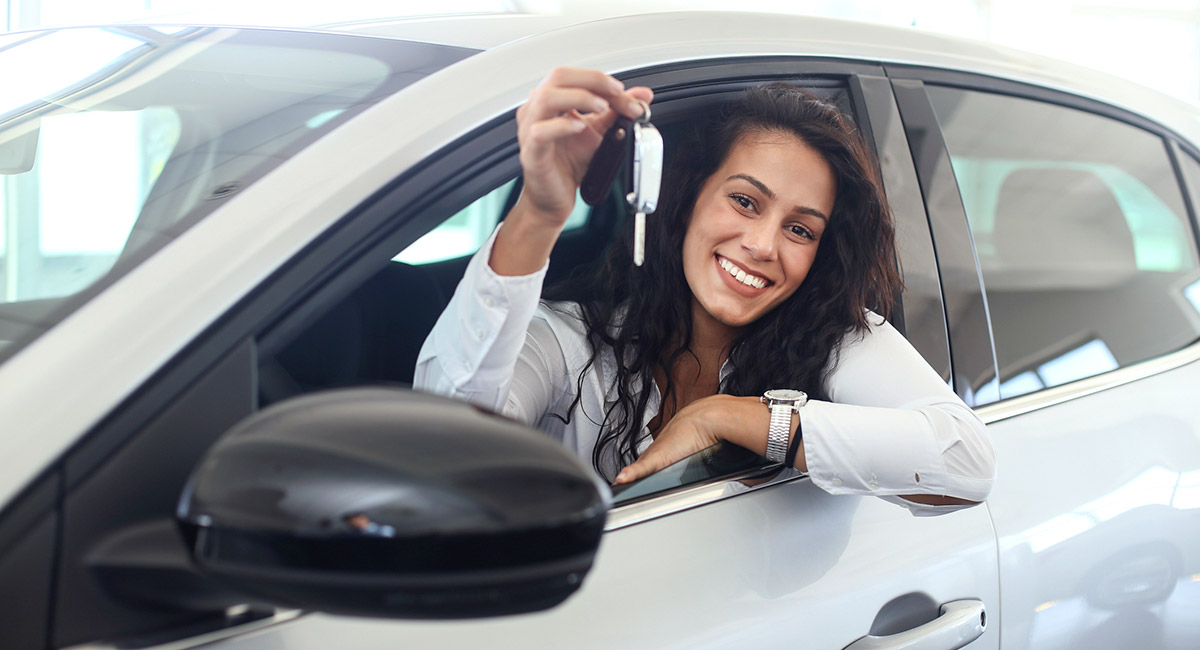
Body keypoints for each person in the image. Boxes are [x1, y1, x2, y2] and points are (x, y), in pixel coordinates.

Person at [415, 67, 995, 515]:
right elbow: (445, 443)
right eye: (744, 201)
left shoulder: (835, 335)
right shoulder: (567, 338)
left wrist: (728, 417)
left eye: (800, 229)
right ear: (690, 196)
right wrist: (540, 213)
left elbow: (965, 461)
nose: (764, 244)